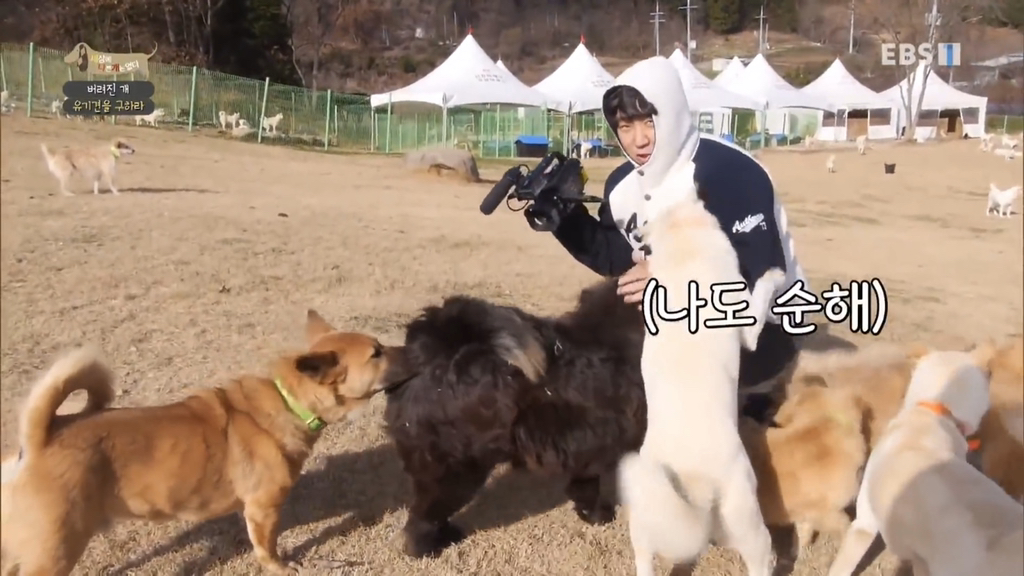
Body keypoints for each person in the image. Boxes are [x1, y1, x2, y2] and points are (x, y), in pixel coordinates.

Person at [550, 56, 808, 393]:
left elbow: (758, 274)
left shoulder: (733, 173)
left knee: (672, 381)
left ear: (671, 112)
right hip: (676, 317)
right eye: (625, 127)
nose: (639, 139)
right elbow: (620, 259)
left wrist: (670, 276)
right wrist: (566, 220)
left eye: (648, 121)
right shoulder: (621, 185)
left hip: (763, 326)